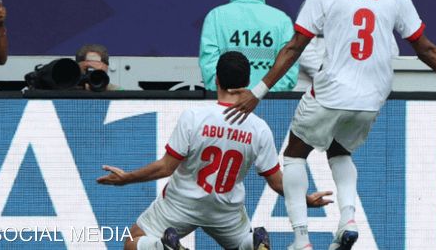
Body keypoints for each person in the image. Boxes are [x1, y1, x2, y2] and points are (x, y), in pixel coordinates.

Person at [223, 0, 436, 250]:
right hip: (372, 98)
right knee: (340, 151)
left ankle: (301, 239)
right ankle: (348, 220)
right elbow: (426, 49)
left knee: (294, 155)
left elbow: (294, 47)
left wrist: (258, 91)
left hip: (332, 92)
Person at [98, 52, 332, 250]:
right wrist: (305, 199)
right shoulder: (259, 127)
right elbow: (277, 181)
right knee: (242, 244)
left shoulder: (194, 117)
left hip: (182, 203)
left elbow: (165, 168)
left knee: (133, 240)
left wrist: (127, 178)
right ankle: (252, 243)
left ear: (216, 79)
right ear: (247, 82)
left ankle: (162, 246)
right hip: (225, 210)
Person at [199, 0, 298, 93]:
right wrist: (260, 96)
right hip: (270, 103)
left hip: (228, 104)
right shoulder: (282, 20)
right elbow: (288, 73)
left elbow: (209, 71)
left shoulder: (215, 17)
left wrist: (231, 95)